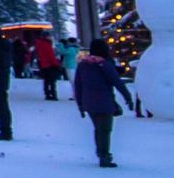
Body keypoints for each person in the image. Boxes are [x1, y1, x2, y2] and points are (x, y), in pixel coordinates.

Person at [73, 39, 136, 167]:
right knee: (105, 130)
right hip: (104, 101)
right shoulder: (104, 64)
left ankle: (101, 153)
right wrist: (127, 97)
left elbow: (78, 85)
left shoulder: (83, 65)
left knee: (98, 129)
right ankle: (104, 155)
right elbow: (117, 82)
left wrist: (80, 104)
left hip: (88, 102)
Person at [33, 33, 63, 100]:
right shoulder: (47, 44)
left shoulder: (39, 44)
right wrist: (57, 64)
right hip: (50, 65)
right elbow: (51, 56)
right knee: (52, 81)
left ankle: (47, 94)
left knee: (46, 80)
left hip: (43, 64)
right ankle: (53, 94)